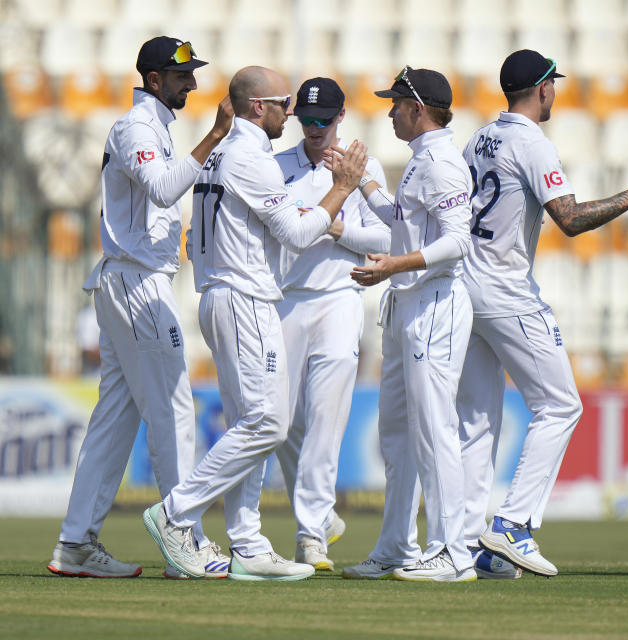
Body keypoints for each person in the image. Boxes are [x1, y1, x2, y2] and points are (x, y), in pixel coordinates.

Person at [455, 49, 628, 578]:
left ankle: (467, 545)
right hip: (505, 288)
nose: (555, 93)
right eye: (552, 85)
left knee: (477, 421)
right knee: (561, 406)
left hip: (465, 286)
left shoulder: (479, 138)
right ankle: (513, 526)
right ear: (541, 89)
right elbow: (572, 220)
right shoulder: (532, 143)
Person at [142, 65, 368, 581]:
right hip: (244, 298)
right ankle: (177, 514)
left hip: (223, 293)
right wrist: (342, 187)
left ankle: (247, 542)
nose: (292, 112)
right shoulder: (249, 156)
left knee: (254, 423)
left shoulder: (222, 152)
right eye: (284, 103)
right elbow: (298, 233)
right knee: (268, 422)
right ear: (256, 108)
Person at [48, 36, 233, 579]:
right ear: (154, 80)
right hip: (136, 285)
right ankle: (185, 539)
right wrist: (216, 135)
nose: (192, 83)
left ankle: (76, 543)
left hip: (134, 282)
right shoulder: (136, 128)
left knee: (114, 418)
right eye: (181, 76)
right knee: (174, 410)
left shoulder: (155, 129)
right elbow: (160, 189)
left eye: (192, 73)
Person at [335, 67, 476, 582]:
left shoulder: (440, 163)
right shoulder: (423, 161)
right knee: (397, 433)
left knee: (434, 431)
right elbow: (402, 222)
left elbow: (459, 242)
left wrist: (395, 264)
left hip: (433, 304)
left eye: (396, 103)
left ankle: (453, 553)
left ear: (418, 108)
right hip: (408, 304)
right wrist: (361, 185)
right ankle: (397, 545)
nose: (390, 111)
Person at [270, 77, 390, 572]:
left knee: (325, 420)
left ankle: (310, 533)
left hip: (340, 299)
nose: (315, 129)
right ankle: (319, 515)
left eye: (324, 120)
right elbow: (282, 237)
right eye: (307, 120)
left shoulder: (364, 168)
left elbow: (385, 235)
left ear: (341, 117)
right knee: (277, 425)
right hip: (283, 300)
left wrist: (334, 224)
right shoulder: (276, 167)